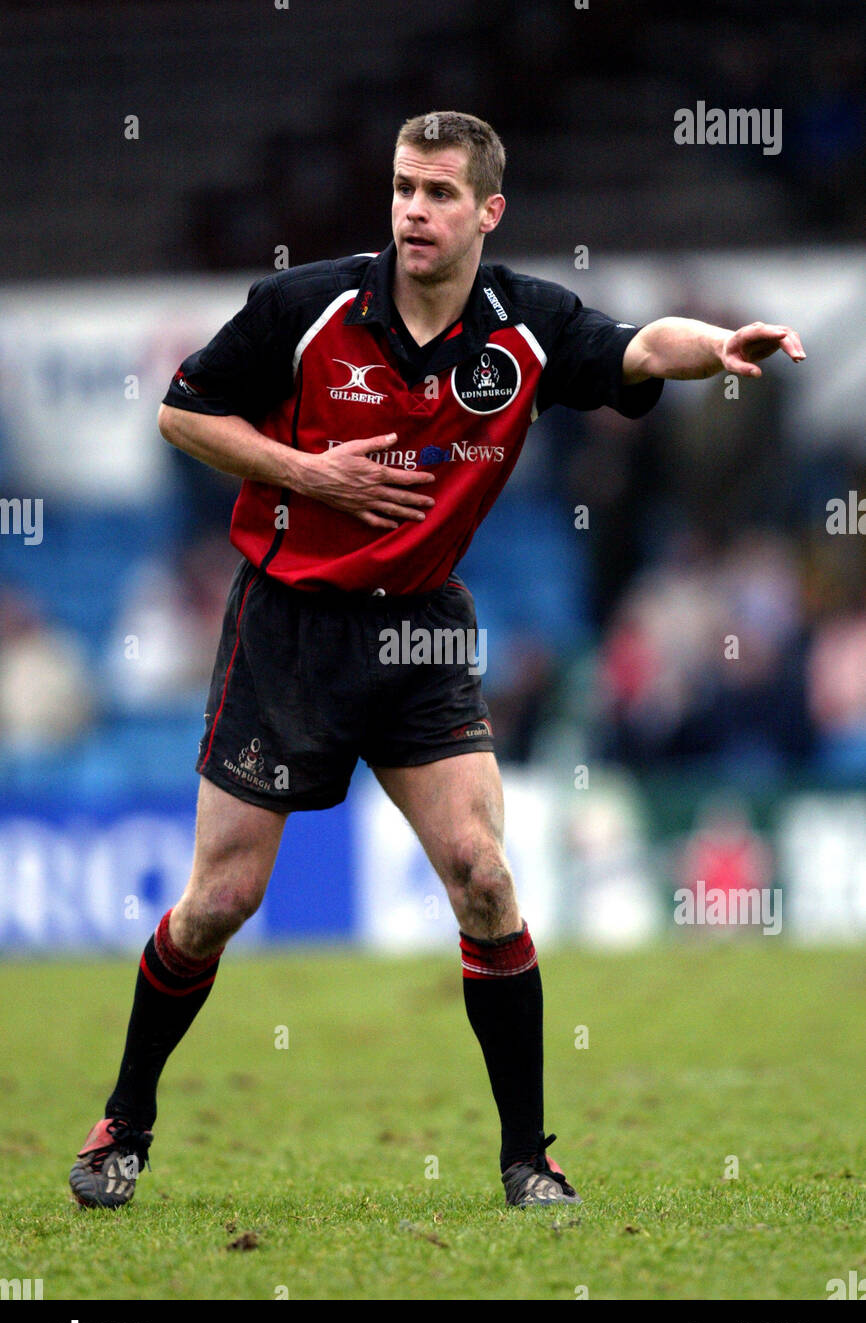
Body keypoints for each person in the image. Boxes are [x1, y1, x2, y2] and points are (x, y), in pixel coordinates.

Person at [69, 110, 805, 1211]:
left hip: (421, 631)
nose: (414, 208)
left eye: (440, 193)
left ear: (486, 212)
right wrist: (305, 474)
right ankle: (123, 1120)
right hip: (288, 628)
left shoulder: (526, 326)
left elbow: (639, 349)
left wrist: (717, 348)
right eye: (405, 188)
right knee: (220, 900)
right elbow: (184, 412)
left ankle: (527, 1159)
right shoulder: (301, 306)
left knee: (484, 875)